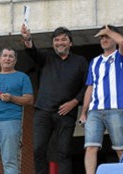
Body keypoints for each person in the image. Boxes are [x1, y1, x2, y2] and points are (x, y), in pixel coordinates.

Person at [21, 25, 88, 174]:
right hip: (43, 111)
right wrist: (27, 39)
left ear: (70, 42)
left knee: (63, 152)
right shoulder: (47, 57)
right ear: (53, 43)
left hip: (66, 113)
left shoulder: (80, 61)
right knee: (38, 149)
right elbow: (33, 52)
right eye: (56, 40)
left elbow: (88, 86)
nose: (60, 43)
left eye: (64, 39)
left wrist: (74, 102)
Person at [79, 25, 123, 174]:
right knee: (90, 146)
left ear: (114, 37)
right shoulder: (94, 62)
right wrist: (84, 112)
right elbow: (90, 87)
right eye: (101, 37)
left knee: (121, 148)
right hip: (95, 110)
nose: (104, 39)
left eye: (107, 36)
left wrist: (110, 31)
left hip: (116, 108)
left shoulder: (120, 56)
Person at [0, 47, 34, 174]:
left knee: (9, 161)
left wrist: (11, 98)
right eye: (5, 55)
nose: (7, 58)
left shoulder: (22, 77)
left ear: (15, 60)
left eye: (11, 56)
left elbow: (29, 100)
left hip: (10, 121)